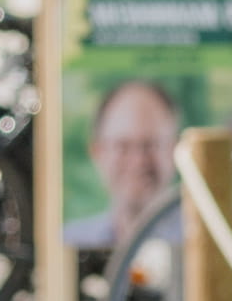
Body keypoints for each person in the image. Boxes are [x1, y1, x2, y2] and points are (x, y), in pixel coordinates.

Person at [64, 75, 181, 252]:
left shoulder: (205, 241)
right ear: (97, 152)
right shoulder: (70, 240)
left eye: (151, 145)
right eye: (122, 147)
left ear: (174, 150)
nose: (138, 161)